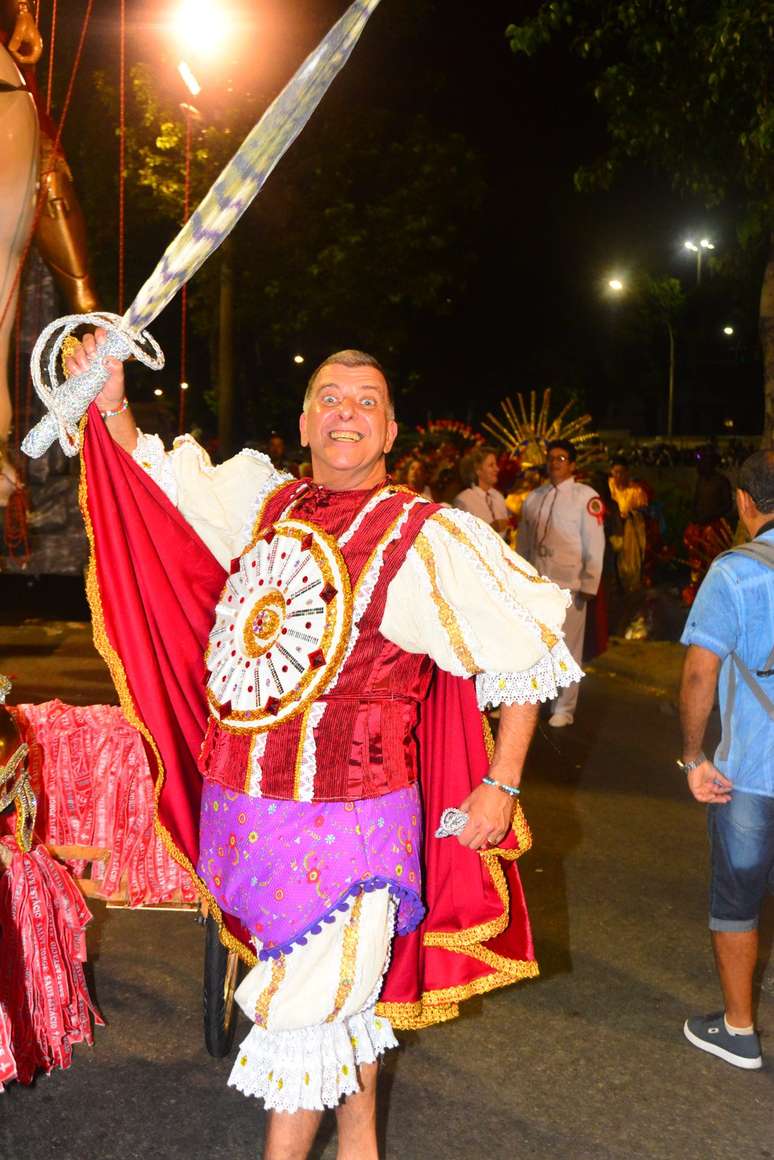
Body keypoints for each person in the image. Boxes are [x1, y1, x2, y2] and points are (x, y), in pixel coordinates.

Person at [68, 334, 581, 1160]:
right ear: (305, 423)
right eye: (331, 399)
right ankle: (361, 1148)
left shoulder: (423, 534)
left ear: (389, 432)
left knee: (302, 1016)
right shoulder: (265, 502)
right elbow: (157, 481)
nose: (347, 413)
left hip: (351, 829)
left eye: (367, 402)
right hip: (245, 816)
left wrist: (503, 782)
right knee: (349, 1001)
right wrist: (113, 397)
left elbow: (526, 651)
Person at [679, 449, 774, 1071]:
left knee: (737, 900)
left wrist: (692, 757)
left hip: (752, 771)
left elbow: (699, 673)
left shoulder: (735, 572)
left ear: (744, 502)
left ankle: (739, 1030)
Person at [517, 439, 605, 727]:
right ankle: (533, 700)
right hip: (538, 582)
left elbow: (595, 543)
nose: (555, 463)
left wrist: (590, 583)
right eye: (551, 458)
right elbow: (524, 542)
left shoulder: (585, 496)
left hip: (570, 584)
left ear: (573, 464)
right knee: (534, 645)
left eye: (562, 458)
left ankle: (564, 707)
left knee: (567, 648)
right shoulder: (534, 497)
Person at [608, 456, 650, 594]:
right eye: (615, 473)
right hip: (611, 529)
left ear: (627, 472)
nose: (618, 476)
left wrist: (631, 515)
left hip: (629, 531)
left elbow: (644, 511)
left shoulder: (636, 491)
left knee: (628, 563)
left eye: (621, 472)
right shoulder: (609, 486)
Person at [453, 445, 509, 537]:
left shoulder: (498, 497)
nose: (497, 469)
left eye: (496, 464)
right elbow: (459, 535)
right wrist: (489, 528)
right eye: (491, 465)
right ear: (478, 470)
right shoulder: (464, 500)